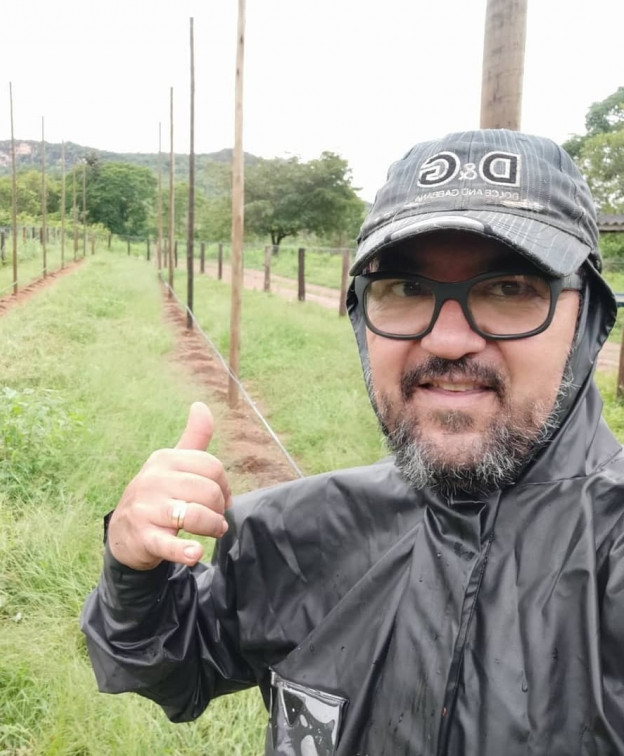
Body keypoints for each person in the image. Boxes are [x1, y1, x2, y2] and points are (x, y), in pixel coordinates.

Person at [80, 129, 624, 755]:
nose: (448, 340)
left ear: (588, 322)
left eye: (509, 289)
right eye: (406, 289)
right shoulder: (295, 532)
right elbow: (172, 666)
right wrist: (133, 571)